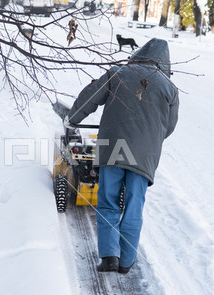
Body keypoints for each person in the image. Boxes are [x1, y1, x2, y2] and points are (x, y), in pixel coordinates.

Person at [65, 38, 179, 273]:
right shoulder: (170, 89)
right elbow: (169, 127)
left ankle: (109, 258)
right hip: (144, 156)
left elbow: (90, 97)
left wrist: (73, 119)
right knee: (134, 206)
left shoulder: (119, 73)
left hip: (113, 150)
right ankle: (126, 262)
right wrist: (149, 140)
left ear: (139, 54)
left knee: (107, 202)